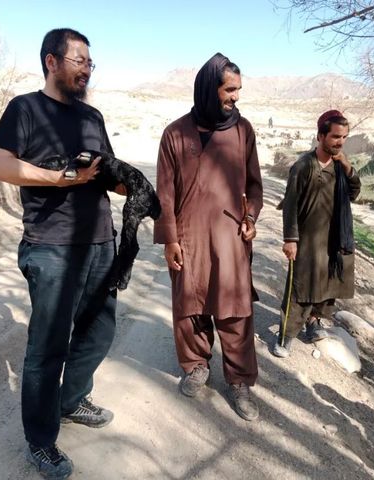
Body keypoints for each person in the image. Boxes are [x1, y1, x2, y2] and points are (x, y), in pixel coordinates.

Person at [0, 28, 122, 479]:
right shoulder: (25, 108)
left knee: (98, 333)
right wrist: (62, 178)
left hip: (100, 240)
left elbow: (107, 172)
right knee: (47, 349)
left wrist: (131, 184)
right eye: (79, 61)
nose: (87, 70)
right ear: (51, 61)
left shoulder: (92, 116)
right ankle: (41, 440)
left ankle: (71, 401)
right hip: (51, 247)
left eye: (90, 63)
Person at [154, 53, 263, 421]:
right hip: (188, 238)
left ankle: (239, 381)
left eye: (238, 89)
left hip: (230, 237)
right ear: (208, 88)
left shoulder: (242, 130)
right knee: (191, 305)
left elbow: (254, 186)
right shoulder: (175, 133)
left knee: (235, 310)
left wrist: (250, 217)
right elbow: (164, 194)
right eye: (229, 89)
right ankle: (196, 365)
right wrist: (170, 239)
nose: (236, 96)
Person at [273, 110, 361, 358]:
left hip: (334, 237)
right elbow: (290, 205)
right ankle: (286, 335)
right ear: (320, 136)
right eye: (335, 136)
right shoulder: (303, 166)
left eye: (344, 137)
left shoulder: (340, 166)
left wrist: (348, 167)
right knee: (300, 287)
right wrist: (290, 239)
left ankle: (314, 321)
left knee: (329, 282)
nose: (340, 142)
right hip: (308, 239)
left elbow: (354, 192)